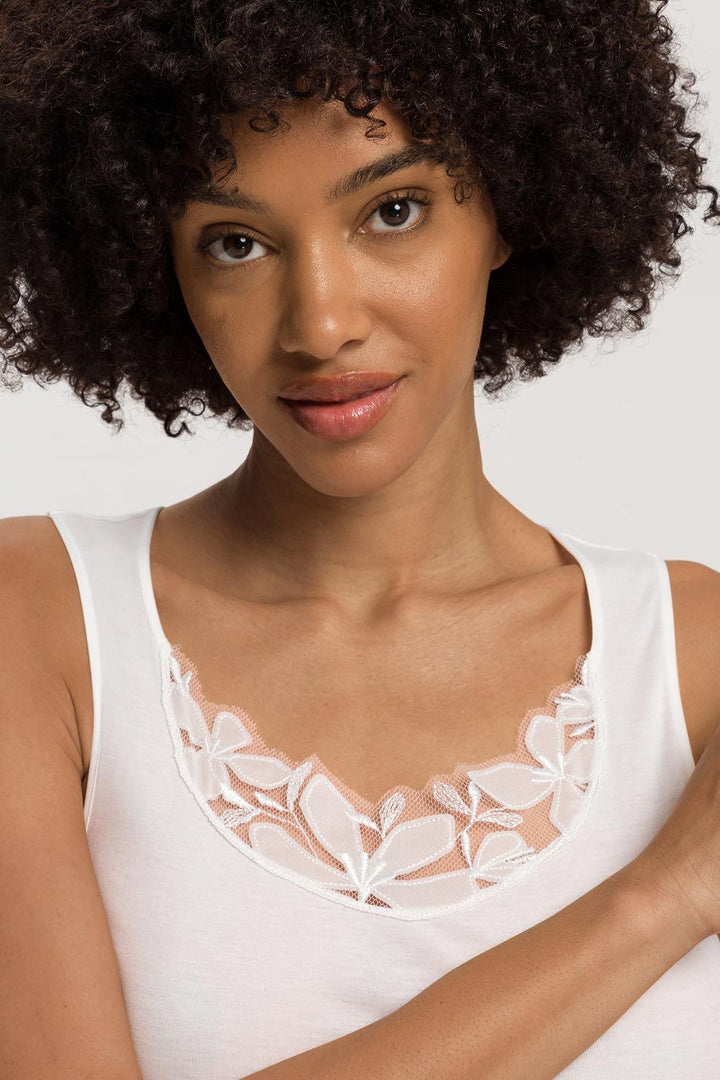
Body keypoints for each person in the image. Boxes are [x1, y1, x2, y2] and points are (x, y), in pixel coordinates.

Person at [1, 1, 720, 1078]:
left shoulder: (697, 662)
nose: (320, 321)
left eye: (392, 211)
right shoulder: (40, 627)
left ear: (509, 204)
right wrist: (668, 897)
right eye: (235, 242)